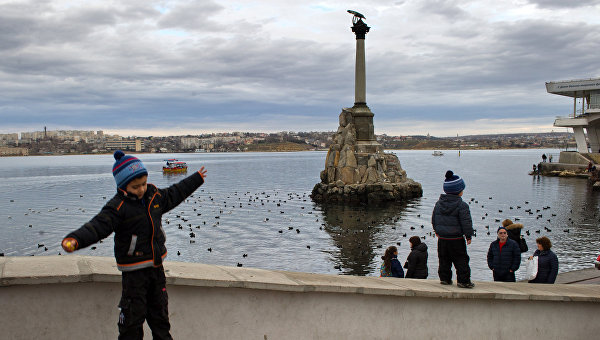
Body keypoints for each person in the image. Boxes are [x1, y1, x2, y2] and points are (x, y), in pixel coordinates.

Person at [61, 150, 207, 339]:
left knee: (160, 318)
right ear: (123, 186)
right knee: (131, 322)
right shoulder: (117, 207)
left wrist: (196, 179)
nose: (141, 190)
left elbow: (175, 193)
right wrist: (76, 239)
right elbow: (97, 227)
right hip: (134, 274)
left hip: (156, 269)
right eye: (135, 186)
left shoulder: (154, 197)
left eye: (144, 184)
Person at [432, 170, 475, 288]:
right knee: (461, 260)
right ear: (458, 191)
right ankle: (463, 281)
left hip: (442, 238)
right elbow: (466, 222)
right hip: (456, 238)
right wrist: (468, 235)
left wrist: (436, 230)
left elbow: (434, 218)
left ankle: (445, 279)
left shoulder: (439, 203)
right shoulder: (462, 205)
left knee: (444, 260)